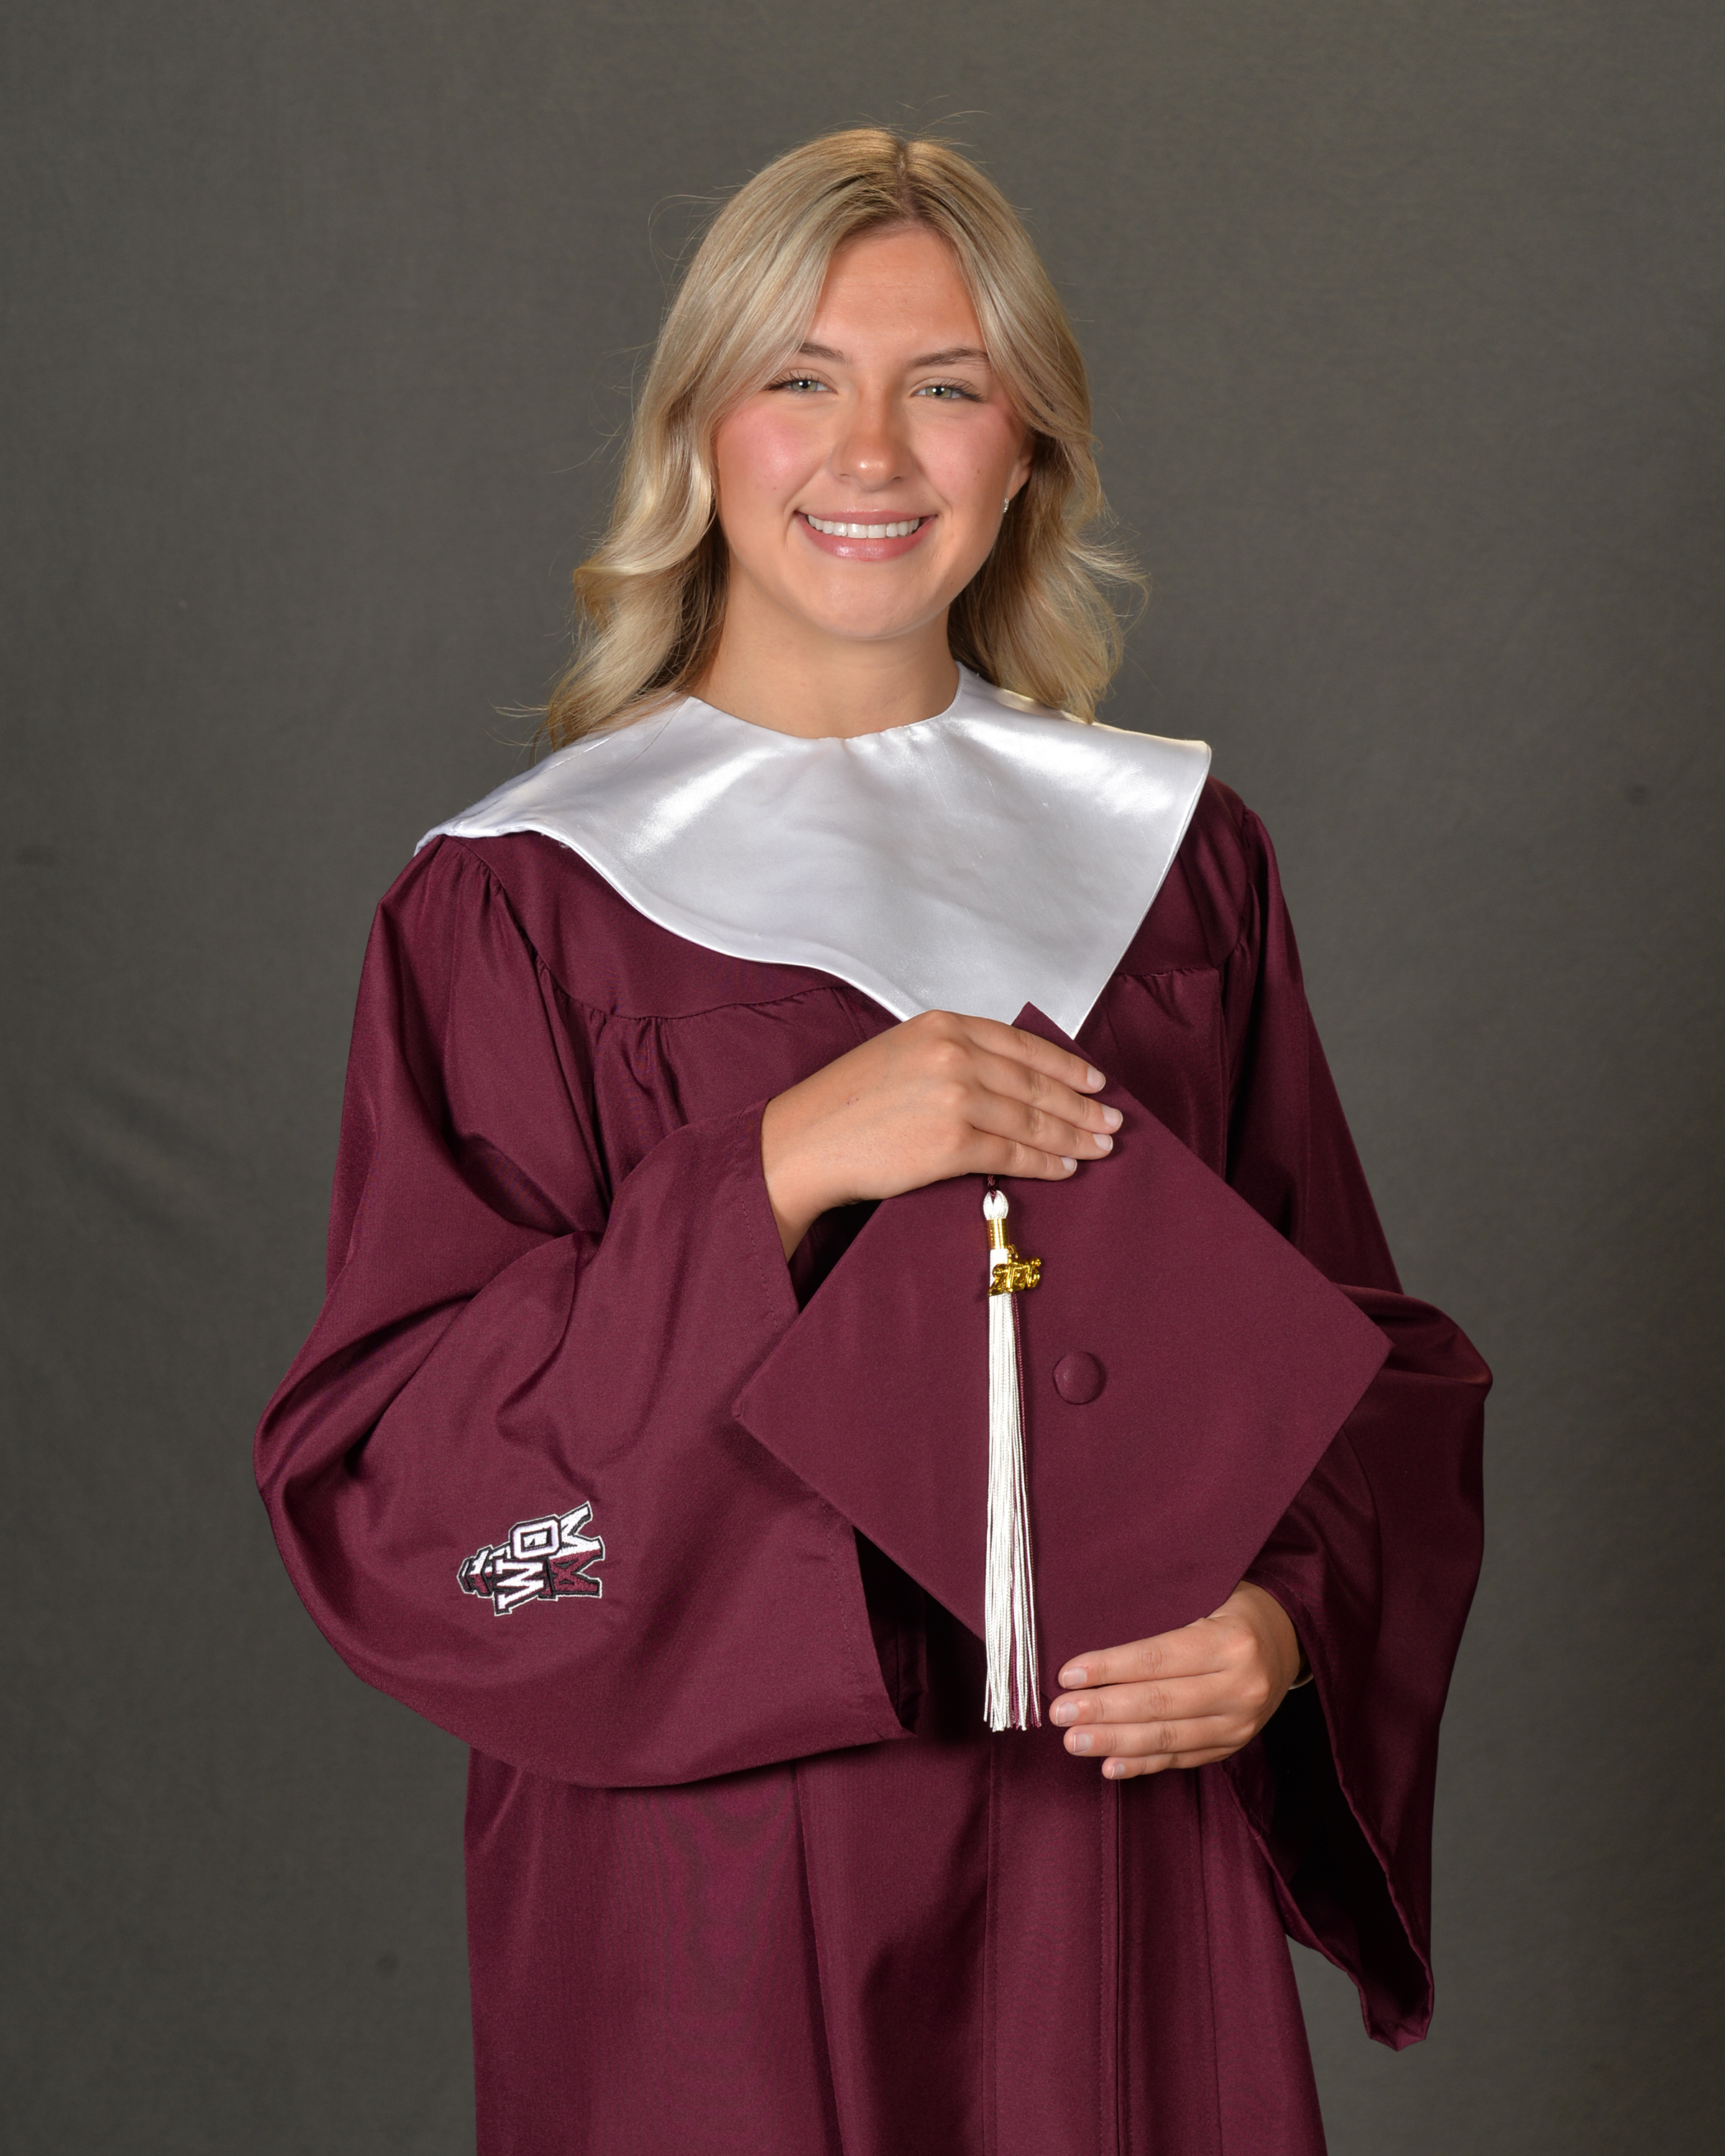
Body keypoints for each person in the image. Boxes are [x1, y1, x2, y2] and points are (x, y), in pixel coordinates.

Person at [256, 129, 1488, 2156]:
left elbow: (1352, 1365)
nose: (874, 454)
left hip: (1112, 1863)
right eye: (801, 377)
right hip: (712, 1896)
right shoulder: (524, 906)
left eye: (949, 385)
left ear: (1029, 447)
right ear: (699, 430)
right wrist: (773, 1172)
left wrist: (1279, 1629)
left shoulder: (1175, 870)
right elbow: (402, 1479)